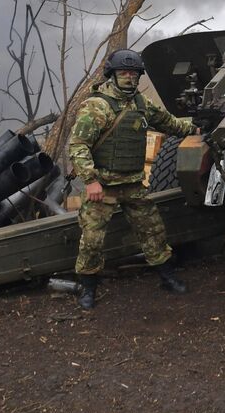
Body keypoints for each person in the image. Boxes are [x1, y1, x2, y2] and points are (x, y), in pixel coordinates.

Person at [68, 47, 196, 309]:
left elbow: (169, 123)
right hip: (103, 186)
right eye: (123, 73)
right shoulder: (97, 106)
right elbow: (78, 146)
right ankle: (88, 287)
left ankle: (167, 277)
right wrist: (90, 181)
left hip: (133, 184)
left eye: (133, 73)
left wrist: (196, 129)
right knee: (92, 240)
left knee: (153, 231)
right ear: (112, 75)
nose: (129, 77)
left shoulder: (141, 104)